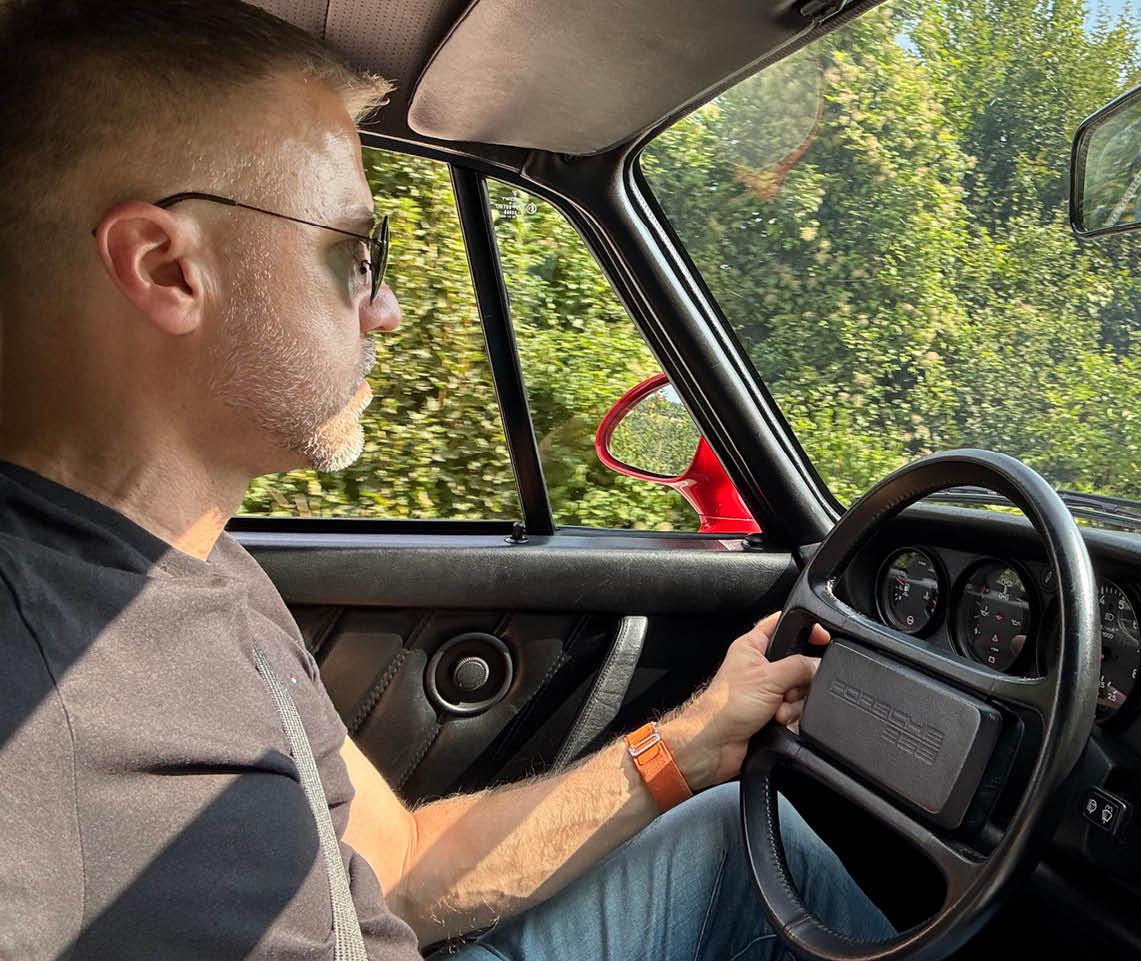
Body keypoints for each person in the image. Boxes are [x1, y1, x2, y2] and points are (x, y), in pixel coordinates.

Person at [0, 1, 892, 958]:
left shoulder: (204, 562)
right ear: (168, 267)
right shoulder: (35, 701)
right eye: (354, 254)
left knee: (737, 847)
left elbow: (396, 867)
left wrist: (693, 741)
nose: (385, 309)